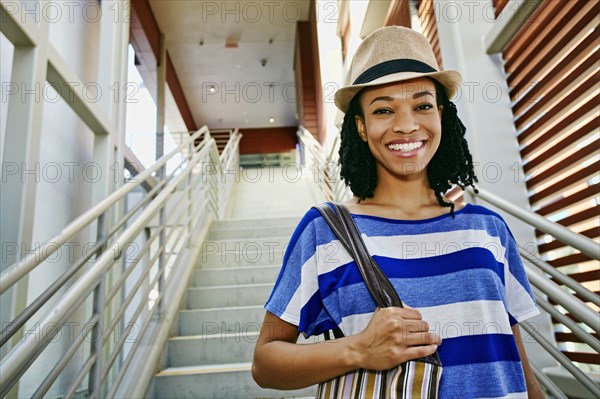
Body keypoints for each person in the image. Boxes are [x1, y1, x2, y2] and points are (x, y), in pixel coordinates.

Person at [252, 26, 544, 398]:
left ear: (441, 114)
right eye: (384, 109)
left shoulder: (489, 228)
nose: (406, 125)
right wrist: (357, 349)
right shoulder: (324, 231)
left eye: (422, 105)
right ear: (360, 126)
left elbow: (512, 352)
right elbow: (265, 364)